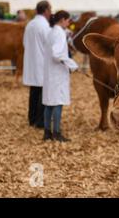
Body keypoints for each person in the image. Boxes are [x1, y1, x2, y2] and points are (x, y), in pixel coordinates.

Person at [42, 10, 78, 142]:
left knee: (49, 102)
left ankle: (47, 133)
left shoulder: (52, 32)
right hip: (57, 73)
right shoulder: (59, 34)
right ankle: (56, 133)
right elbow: (57, 54)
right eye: (68, 20)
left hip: (50, 72)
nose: (69, 23)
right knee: (58, 102)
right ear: (63, 19)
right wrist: (72, 64)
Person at [23, 0, 52, 128]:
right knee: (42, 94)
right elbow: (50, 46)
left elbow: (24, 43)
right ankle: (40, 122)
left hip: (31, 63)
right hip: (42, 63)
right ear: (45, 10)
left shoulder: (30, 24)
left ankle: (32, 119)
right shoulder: (45, 26)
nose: (51, 12)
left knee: (34, 92)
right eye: (50, 10)